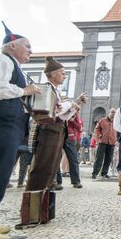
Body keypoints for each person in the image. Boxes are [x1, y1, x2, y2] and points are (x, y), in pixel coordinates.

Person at [0, 22, 41, 239]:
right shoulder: (3, 60)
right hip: (2, 124)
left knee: (1, 173)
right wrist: (25, 90)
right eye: (28, 46)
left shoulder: (12, 63)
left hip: (10, 124)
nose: (31, 51)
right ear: (12, 46)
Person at [26, 57, 86, 192]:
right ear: (53, 74)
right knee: (43, 168)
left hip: (57, 131)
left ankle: (42, 202)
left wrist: (73, 106)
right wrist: (70, 104)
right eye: (62, 73)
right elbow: (50, 112)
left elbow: (62, 116)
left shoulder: (55, 91)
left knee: (51, 168)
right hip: (48, 132)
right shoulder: (45, 88)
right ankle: (32, 204)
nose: (64, 76)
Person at [92, 108, 117, 179]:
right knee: (99, 158)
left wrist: (116, 140)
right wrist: (100, 135)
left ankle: (104, 173)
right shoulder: (102, 120)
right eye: (112, 112)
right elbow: (97, 129)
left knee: (108, 159)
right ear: (109, 113)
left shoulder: (116, 122)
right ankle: (95, 173)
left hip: (112, 142)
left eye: (115, 113)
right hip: (102, 142)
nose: (113, 114)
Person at [62, 112, 83, 188]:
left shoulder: (74, 114)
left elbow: (79, 128)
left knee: (74, 159)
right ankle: (56, 181)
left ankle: (76, 181)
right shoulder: (59, 110)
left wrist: (72, 121)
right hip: (57, 136)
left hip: (69, 139)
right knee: (54, 160)